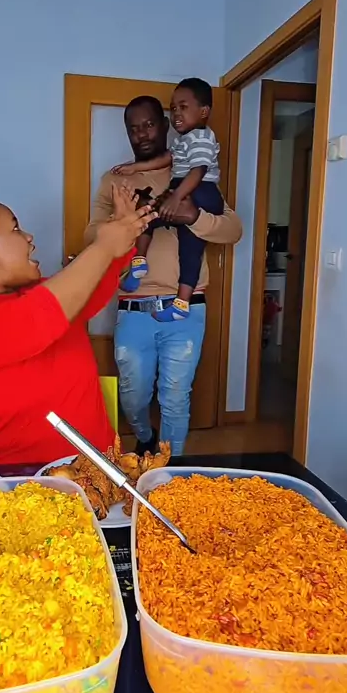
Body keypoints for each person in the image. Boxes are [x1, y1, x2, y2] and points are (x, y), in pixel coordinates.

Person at [0, 188, 156, 467]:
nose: (29, 237)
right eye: (15, 228)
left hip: (93, 474)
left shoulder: (46, 295)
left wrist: (123, 233)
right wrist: (103, 246)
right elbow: (32, 320)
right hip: (2, 482)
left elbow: (91, 286)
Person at [85, 95, 242, 456]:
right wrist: (124, 221)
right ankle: (144, 436)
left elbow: (233, 230)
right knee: (133, 394)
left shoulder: (190, 168)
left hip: (187, 307)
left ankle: (169, 469)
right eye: (133, 128)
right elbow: (90, 234)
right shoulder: (115, 179)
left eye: (149, 124)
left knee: (175, 396)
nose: (141, 134)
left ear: (166, 125)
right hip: (133, 307)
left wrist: (194, 217)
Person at [112, 78, 223, 322]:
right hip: (185, 189)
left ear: (204, 112)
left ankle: (175, 297)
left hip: (200, 192)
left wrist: (179, 199)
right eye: (173, 108)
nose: (177, 114)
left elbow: (199, 171)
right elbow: (168, 159)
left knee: (186, 246)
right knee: (150, 217)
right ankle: (142, 267)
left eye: (183, 107)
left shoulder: (202, 137)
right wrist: (135, 168)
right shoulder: (184, 140)